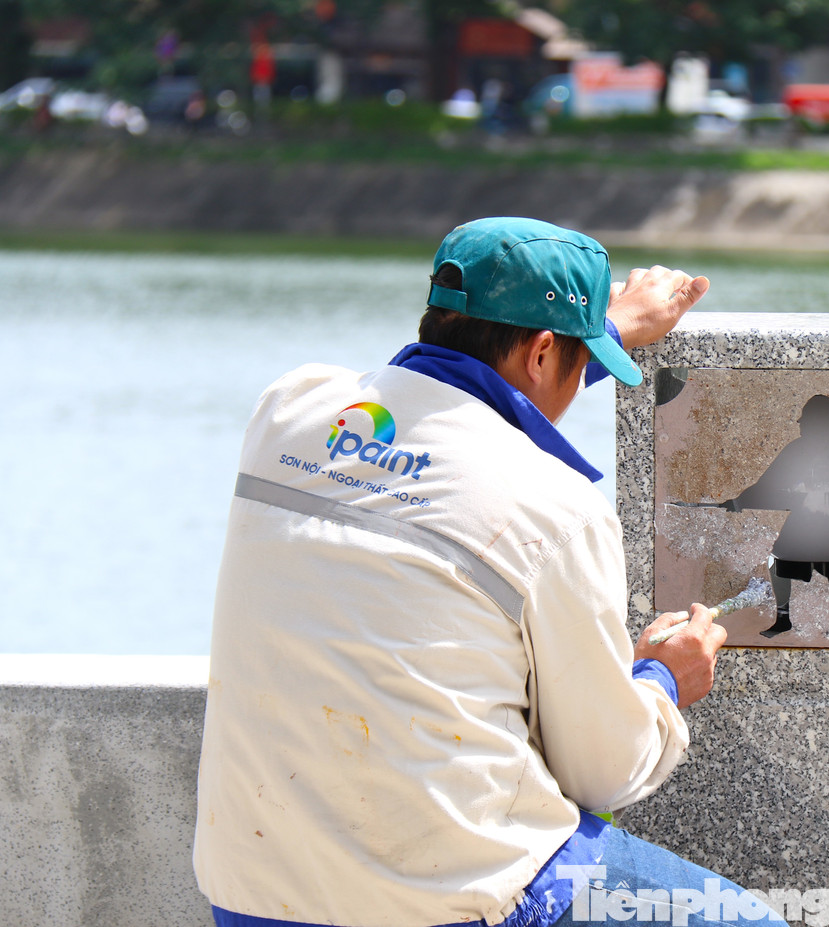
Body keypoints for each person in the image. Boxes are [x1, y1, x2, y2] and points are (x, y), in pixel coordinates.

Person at [193, 217, 784, 927]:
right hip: (444, 905)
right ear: (541, 352)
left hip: (254, 896)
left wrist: (596, 331)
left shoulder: (287, 409)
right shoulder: (555, 509)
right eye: (577, 356)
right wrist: (663, 677)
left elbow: (427, 399)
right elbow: (604, 770)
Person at [722, 395, 829, 638]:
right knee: (778, 562)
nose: (802, 428)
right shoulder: (798, 449)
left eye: (808, 423)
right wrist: (740, 501)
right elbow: (769, 484)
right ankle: (783, 619)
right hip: (803, 518)